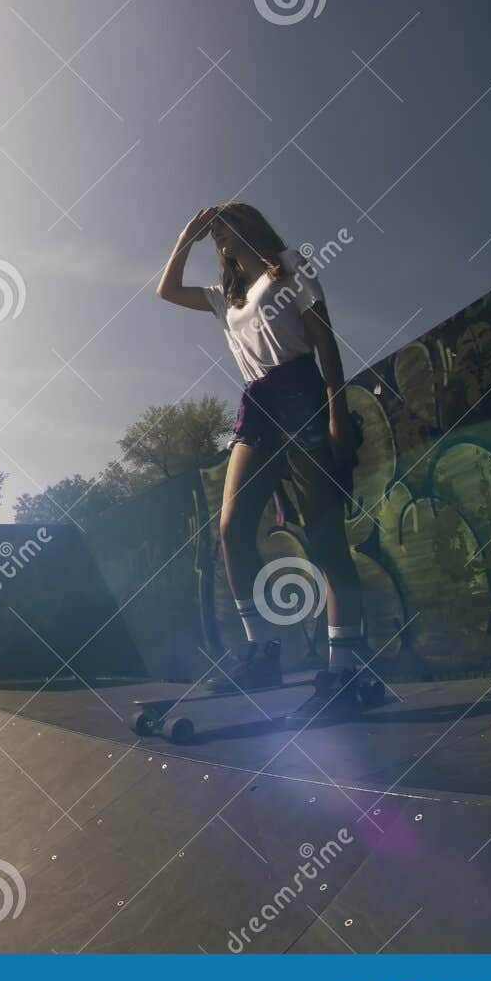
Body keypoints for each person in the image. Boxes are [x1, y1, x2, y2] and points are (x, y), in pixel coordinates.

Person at [155, 203, 375, 709]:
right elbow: (165, 291)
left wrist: (336, 412)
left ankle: (343, 671)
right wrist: (187, 234)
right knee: (232, 530)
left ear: (246, 225)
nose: (220, 241)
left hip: (300, 392)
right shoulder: (223, 298)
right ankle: (262, 654)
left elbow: (325, 342)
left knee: (325, 541)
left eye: (222, 229)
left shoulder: (291, 266)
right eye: (213, 237)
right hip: (256, 403)